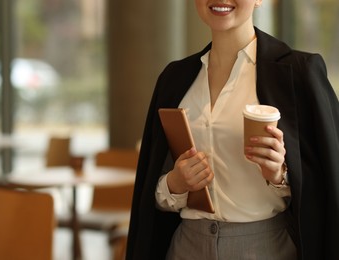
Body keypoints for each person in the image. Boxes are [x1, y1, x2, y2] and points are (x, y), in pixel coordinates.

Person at [126, 0, 339, 259]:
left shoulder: (299, 74)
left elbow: (329, 183)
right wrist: (175, 184)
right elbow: (150, 193)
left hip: (266, 248)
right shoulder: (173, 79)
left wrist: (279, 175)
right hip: (185, 247)